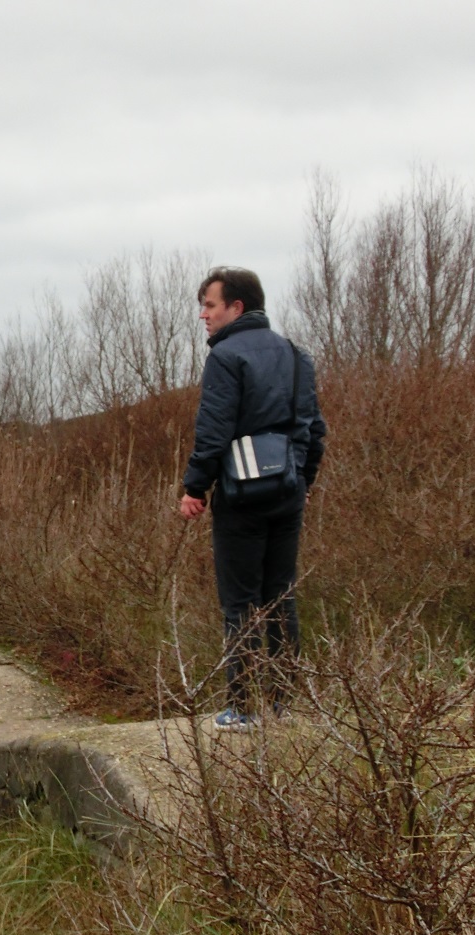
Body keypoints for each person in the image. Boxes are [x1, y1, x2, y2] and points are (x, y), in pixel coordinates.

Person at [178, 267, 327, 731]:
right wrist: (303, 481)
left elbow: (214, 430)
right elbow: (314, 428)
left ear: (236, 308)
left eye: (210, 304)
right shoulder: (296, 355)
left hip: (240, 497)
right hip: (287, 494)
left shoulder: (225, 357)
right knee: (281, 597)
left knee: (240, 602)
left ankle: (242, 709)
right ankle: (284, 707)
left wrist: (194, 487)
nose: (203, 314)